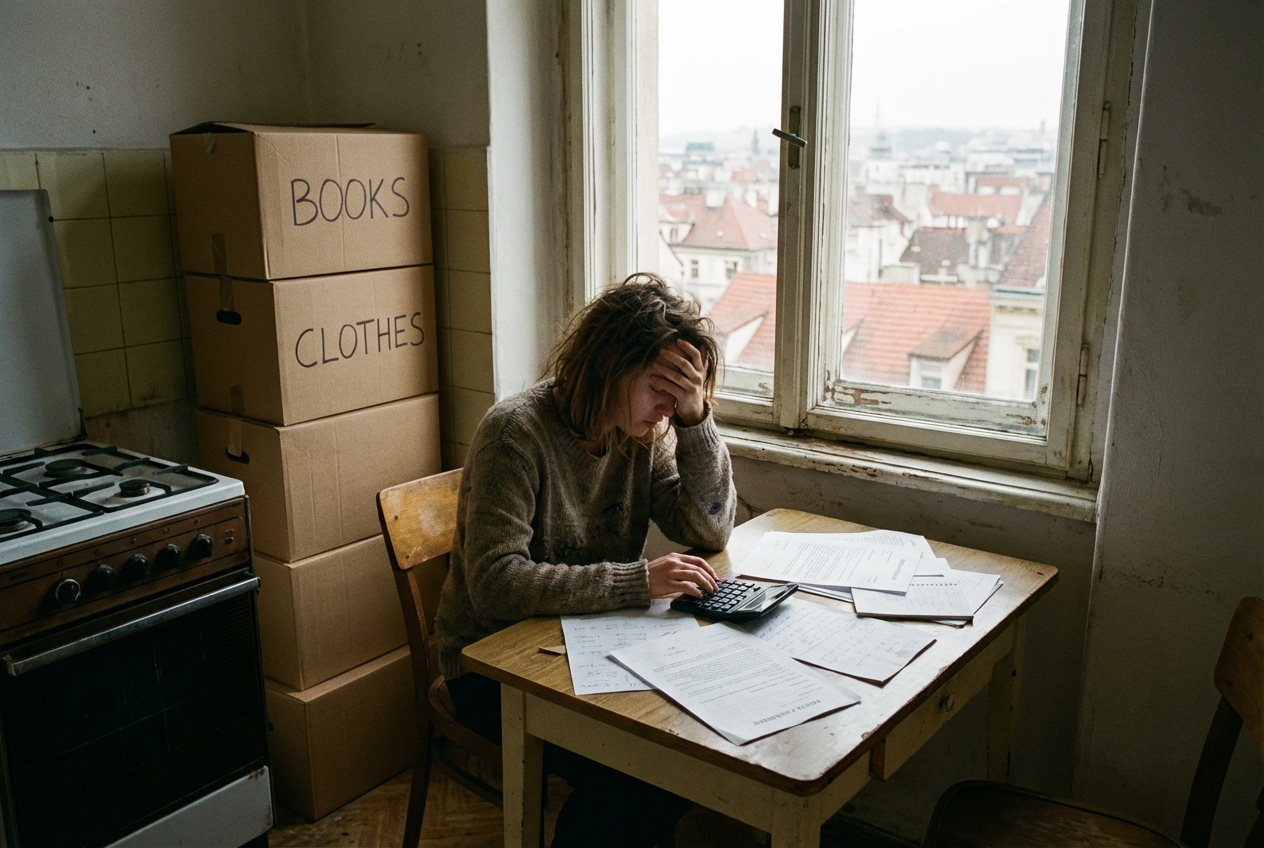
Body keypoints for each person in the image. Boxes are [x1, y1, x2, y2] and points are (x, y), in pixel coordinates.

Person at [433, 273, 737, 847]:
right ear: (609, 365)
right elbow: (495, 584)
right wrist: (636, 581)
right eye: (662, 389)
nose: (667, 409)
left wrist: (698, 421)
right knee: (639, 780)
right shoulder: (514, 435)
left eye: (681, 396)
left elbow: (710, 525)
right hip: (489, 665)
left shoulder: (638, 434)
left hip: (588, 647)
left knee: (688, 751)